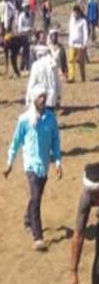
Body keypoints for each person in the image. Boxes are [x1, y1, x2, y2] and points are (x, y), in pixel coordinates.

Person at [4, 85, 62, 251]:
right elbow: (16, 142)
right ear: (34, 99)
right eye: (40, 97)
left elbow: (55, 141)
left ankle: (27, 219)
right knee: (36, 198)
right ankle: (38, 237)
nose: (43, 99)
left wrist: (58, 162)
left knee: (36, 197)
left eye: (44, 96)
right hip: (30, 165)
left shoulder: (51, 118)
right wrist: (9, 163)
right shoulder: (25, 120)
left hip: (44, 165)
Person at [26, 46, 62, 113]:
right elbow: (58, 82)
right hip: (51, 97)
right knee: (50, 116)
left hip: (40, 97)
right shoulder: (53, 64)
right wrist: (59, 97)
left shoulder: (36, 65)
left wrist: (28, 99)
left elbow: (31, 83)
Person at [68, 4, 89, 83]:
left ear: (79, 13)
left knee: (81, 62)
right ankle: (71, 77)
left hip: (80, 45)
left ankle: (83, 77)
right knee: (70, 60)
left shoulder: (83, 21)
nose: (74, 14)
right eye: (73, 12)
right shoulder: (71, 20)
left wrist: (85, 43)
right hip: (72, 44)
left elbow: (85, 33)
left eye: (76, 12)